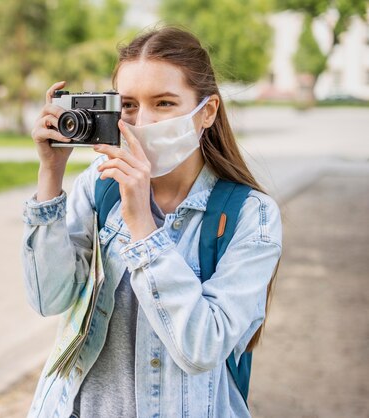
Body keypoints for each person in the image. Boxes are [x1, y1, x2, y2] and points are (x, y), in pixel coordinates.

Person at [21, 26, 282, 418]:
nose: (142, 121)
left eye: (163, 103)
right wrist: (50, 177)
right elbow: (48, 299)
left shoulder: (250, 215)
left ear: (206, 112)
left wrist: (143, 224)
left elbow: (201, 348)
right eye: (128, 105)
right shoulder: (101, 182)